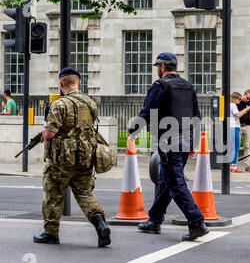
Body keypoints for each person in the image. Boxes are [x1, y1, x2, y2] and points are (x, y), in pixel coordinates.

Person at [129, 52, 209, 241]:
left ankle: (196, 222)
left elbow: (148, 111)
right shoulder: (188, 86)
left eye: (158, 66)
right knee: (166, 181)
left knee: (175, 183)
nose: (157, 69)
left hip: (168, 140)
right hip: (186, 138)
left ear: (163, 67)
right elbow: (197, 115)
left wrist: (133, 131)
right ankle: (155, 220)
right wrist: (194, 142)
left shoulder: (160, 85)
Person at [33, 67, 111, 247]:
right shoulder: (90, 103)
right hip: (84, 158)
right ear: (79, 83)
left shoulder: (60, 104)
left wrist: (43, 134)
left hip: (61, 161)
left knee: (53, 195)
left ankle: (51, 233)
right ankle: (100, 223)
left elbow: (51, 133)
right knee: (85, 194)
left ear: (61, 84)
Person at [229, 92, 250, 173]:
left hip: (233, 127)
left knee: (235, 147)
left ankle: (232, 165)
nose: (240, 100)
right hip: (234, 127)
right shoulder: (233, 105)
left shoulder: (231, 105)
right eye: (239, 99)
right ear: (235, 99)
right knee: (235, 147)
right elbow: (238, 115)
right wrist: (246, 109)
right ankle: (233, 165)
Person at [237, 89, 250, 172]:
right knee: (236, 145)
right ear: (243, 95)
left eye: (249, 99)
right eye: (247, 97)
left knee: (247, 146)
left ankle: (247, 165)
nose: (247, 100)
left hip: (247, 126)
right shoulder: (238, 102)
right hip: (238, 125)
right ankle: (234, 164)